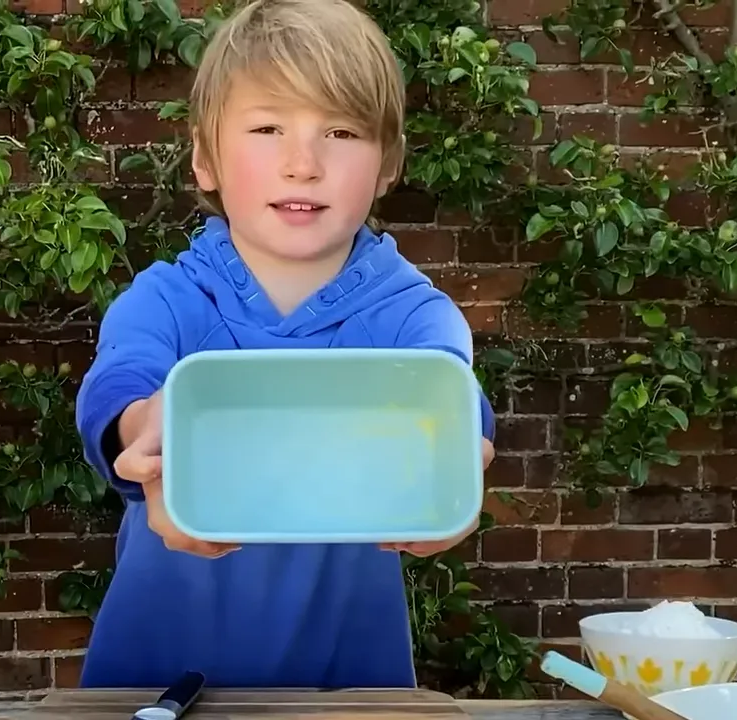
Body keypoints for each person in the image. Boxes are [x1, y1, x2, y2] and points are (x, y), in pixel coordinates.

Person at [74, 0, 499, 690]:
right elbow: (121, 380)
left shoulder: (414, 314)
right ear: (205, 158)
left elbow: (450, 392)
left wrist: (453, 461)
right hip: (155, 679)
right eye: (268, 127)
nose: (303, 163)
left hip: (349, 685)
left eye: (341, 130)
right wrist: (145, 426)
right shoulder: (166, 300)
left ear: (387, 164)